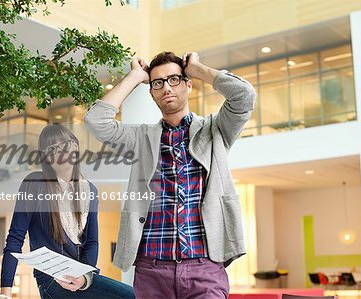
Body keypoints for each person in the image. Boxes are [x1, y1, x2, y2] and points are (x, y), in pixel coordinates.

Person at [85, 51, 256, 298]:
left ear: (188, 84)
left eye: (174, 79)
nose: (166, 87)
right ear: (152, 92)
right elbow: (96, 121)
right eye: (158, 83)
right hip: (151, 270)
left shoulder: (215, 129)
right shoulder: (141, 138)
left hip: (205, 268)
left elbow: (244, 96)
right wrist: (134, 77)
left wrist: (197, 68)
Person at [0, 124, 134, 299]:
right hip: (51, 280)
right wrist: (5, 293)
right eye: (51, 149)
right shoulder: (34, 184)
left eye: (63, 145)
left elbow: (92, 243)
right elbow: (15, 238)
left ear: (75, 147)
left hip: (82, 278)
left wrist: (84, 278)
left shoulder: (90, 190)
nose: (58, 152)